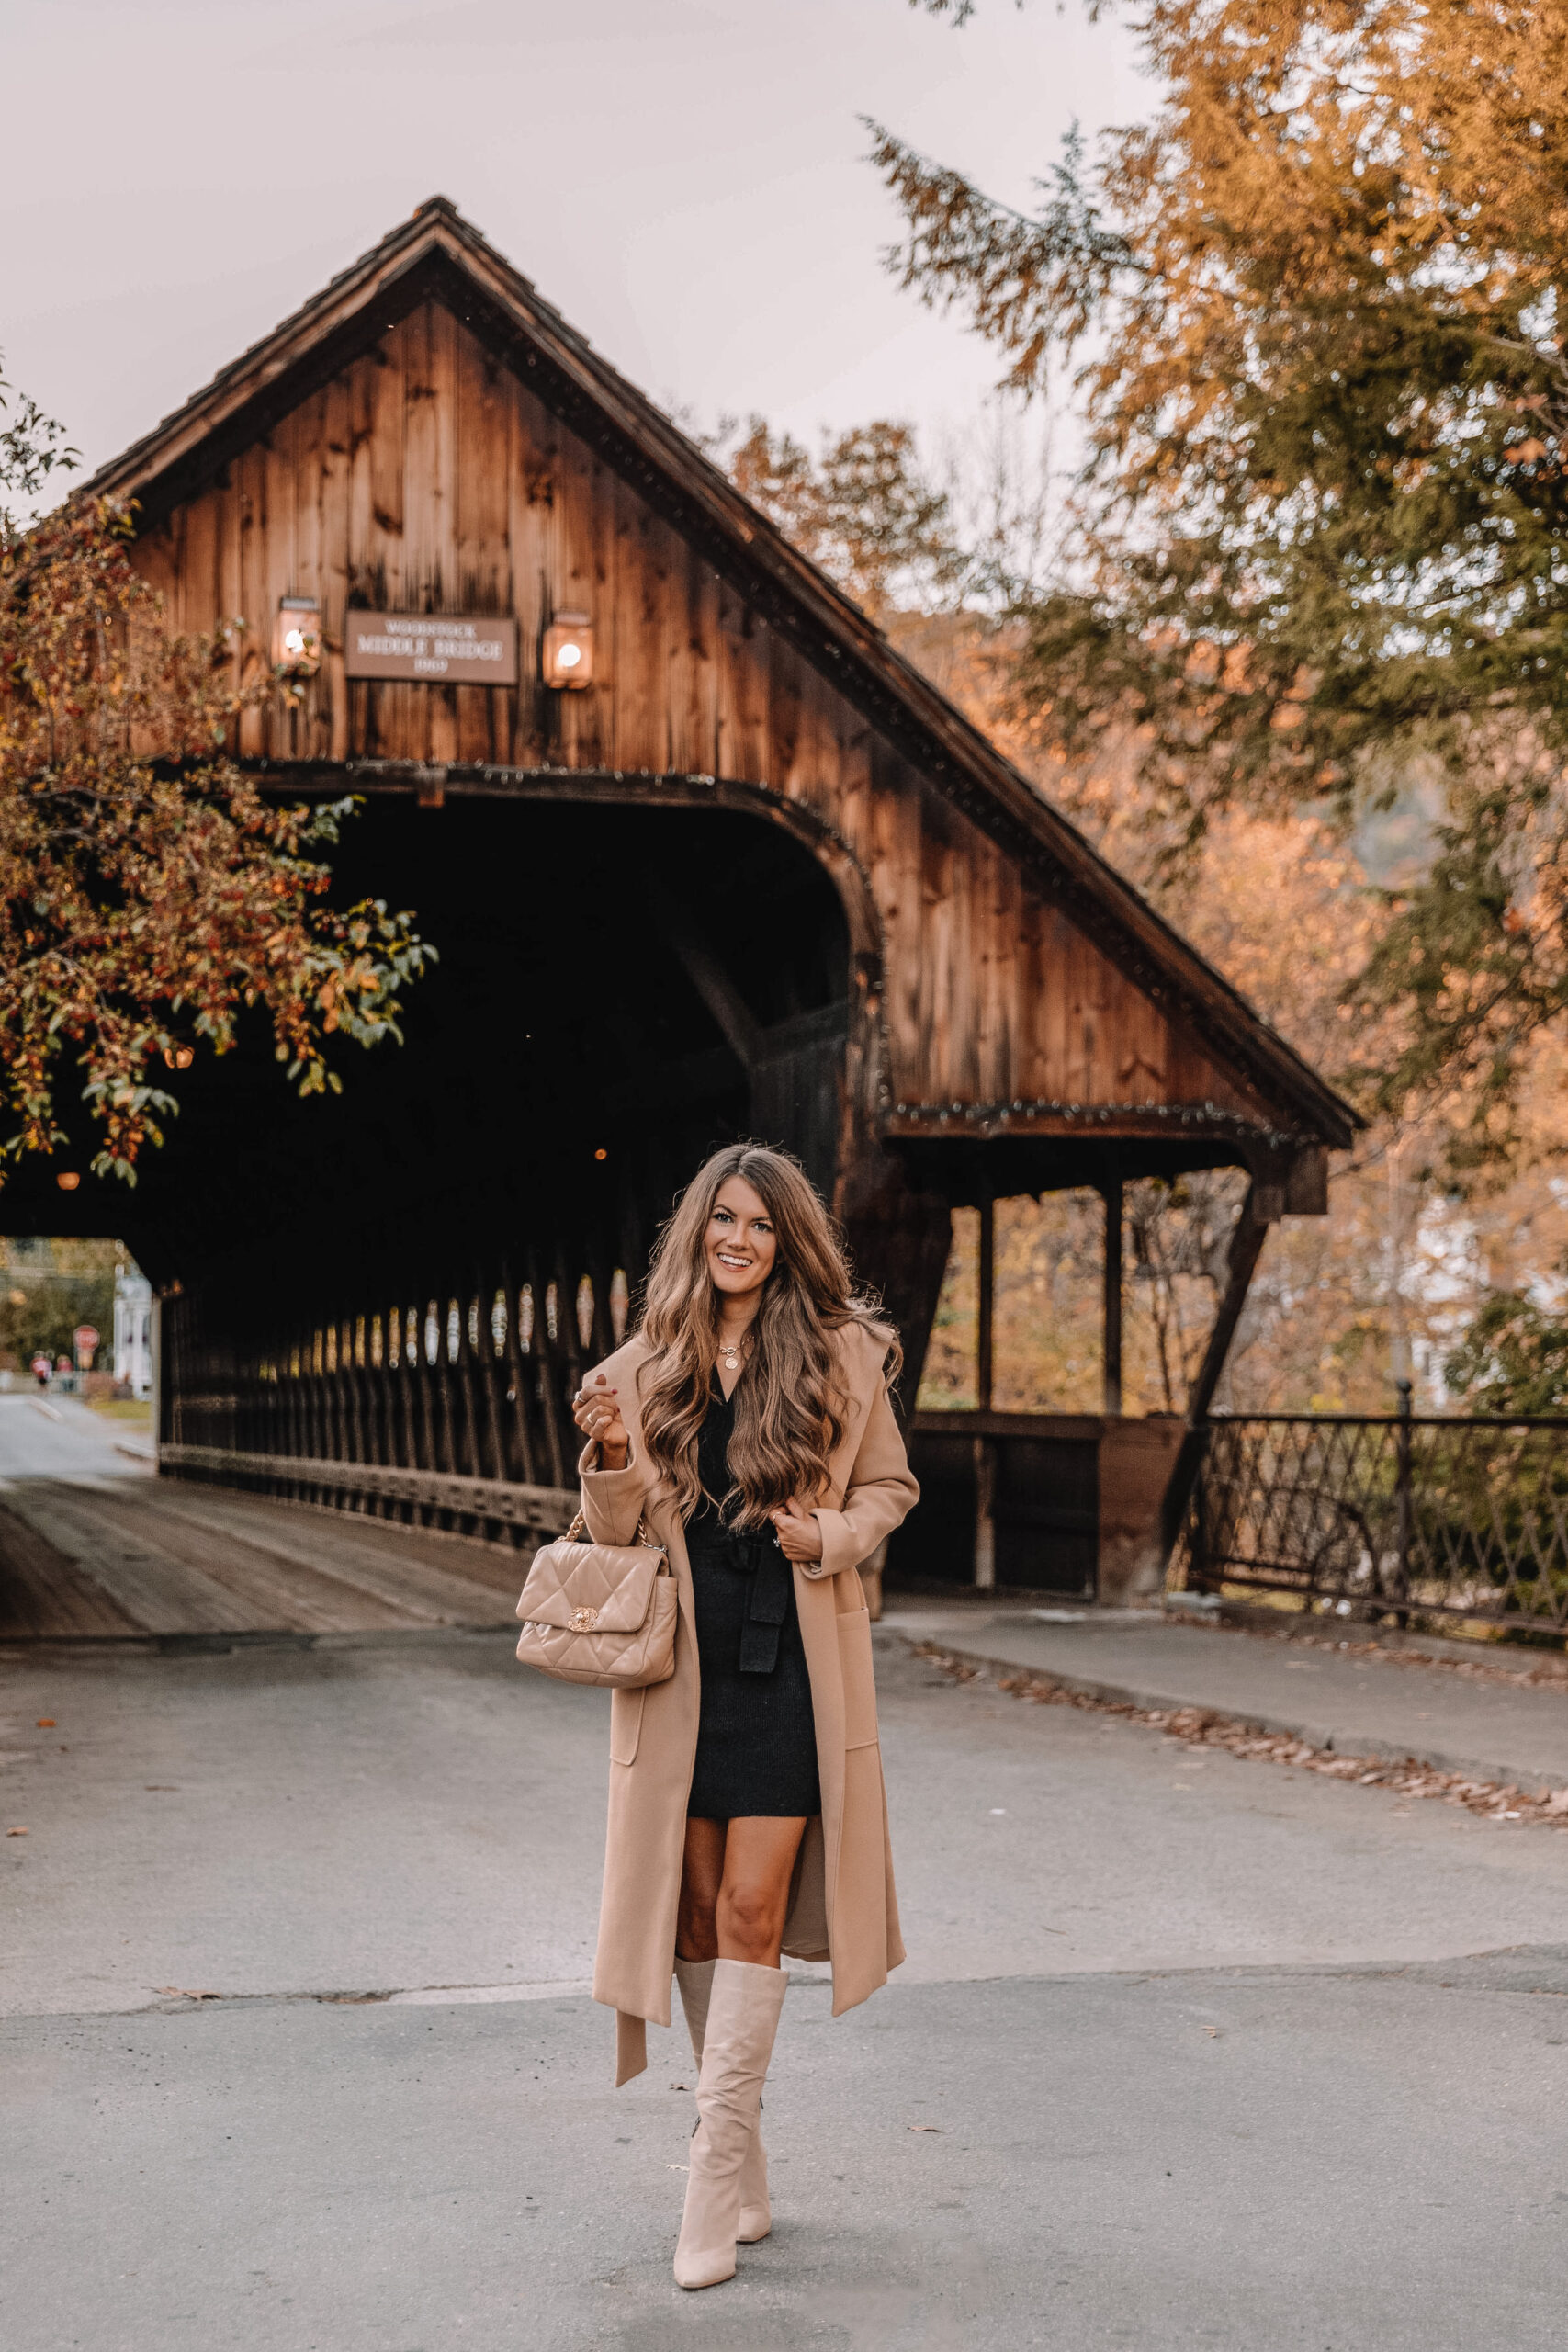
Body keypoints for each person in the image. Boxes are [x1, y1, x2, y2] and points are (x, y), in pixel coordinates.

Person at [570, 1142, 919, 2291]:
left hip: (791, 1665)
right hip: (682, 1671)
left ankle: (711, 2181)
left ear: (788, 1241)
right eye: (722, 1218)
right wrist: (611, 1458)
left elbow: (889, 1487)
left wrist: (831, 1534)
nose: (739, 1238)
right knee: (693, 1922)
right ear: (695, 1233)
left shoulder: (839, 1356)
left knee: (755, 1908)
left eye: (762, 1225)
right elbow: (612, 1540)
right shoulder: (640, 1367)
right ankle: (751, 2168)